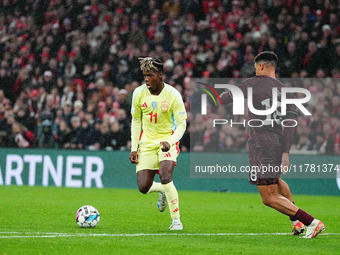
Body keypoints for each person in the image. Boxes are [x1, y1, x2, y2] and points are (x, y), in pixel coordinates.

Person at [220, 51, 325, 238]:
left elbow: (223, 99)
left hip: (261, 143)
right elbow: (290, 124)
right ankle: (296, 222)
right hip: (276, 142)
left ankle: (312, 222)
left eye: (255, 68)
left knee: (268, 197)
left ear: (261, 67)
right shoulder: (287, 91)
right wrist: (286, 152)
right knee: (275, 181)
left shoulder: (251, 84)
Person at [129, 57, 187, 230]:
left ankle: (176, 220)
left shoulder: (173, 95)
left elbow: (182, 123)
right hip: (146, 143)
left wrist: (170, 141)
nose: (146, 79)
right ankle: (162, 190)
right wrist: (134, 148)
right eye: (145, 75)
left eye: (150, 75)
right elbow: (136, 121)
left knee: (165, 176)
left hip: (167, 141)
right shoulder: (138, 93)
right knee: (143, 187)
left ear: (160, 75)